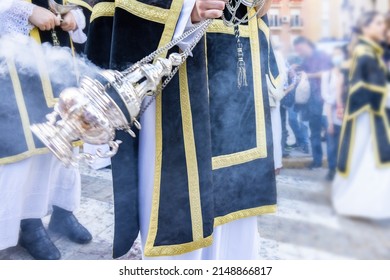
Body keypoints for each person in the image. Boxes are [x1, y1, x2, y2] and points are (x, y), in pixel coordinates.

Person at [85, 0, 278, 259]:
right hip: (175, 69)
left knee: (235, 218)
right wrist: (187, 9)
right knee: (181, 209)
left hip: (237, 60)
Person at [0, 0, 91, 260]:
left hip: (59, 55)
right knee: (27, 143)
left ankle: (63, 210)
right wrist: (26, 10)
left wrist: (75, 14)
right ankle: (28, 222)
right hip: (14, 61)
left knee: (65, 140)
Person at [332, 11, 390, 219]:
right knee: (367, 163)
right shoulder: (365, 52)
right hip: (367, 115)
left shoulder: (371, 51)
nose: (381, 28)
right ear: (365, 28)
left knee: (369, 164)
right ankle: (358, 205)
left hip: (370, 114)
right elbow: (366, 87)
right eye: (377, 23)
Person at [293, 36, 332, 169]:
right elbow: (302, 74)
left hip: (324, 99)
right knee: (314, 132)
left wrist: (308, 75)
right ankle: (317, 161)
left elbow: (325, 73)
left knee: (330, 133)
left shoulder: (322, 56)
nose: (298, 52)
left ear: (305, 44)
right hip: (311, 102)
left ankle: (334, 164)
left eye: (299, 49)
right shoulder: (305, 59)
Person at [321, 46, 348, 181]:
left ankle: (343, 170)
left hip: (345, 115)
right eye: (335, 55)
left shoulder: (347, 74)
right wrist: (336, 98)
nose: (338, 58)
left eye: (340, 55)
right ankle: (332, 170)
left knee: (345, 145)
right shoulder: (328, 75)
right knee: (332, 145)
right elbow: (325, 95)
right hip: (330, 115)